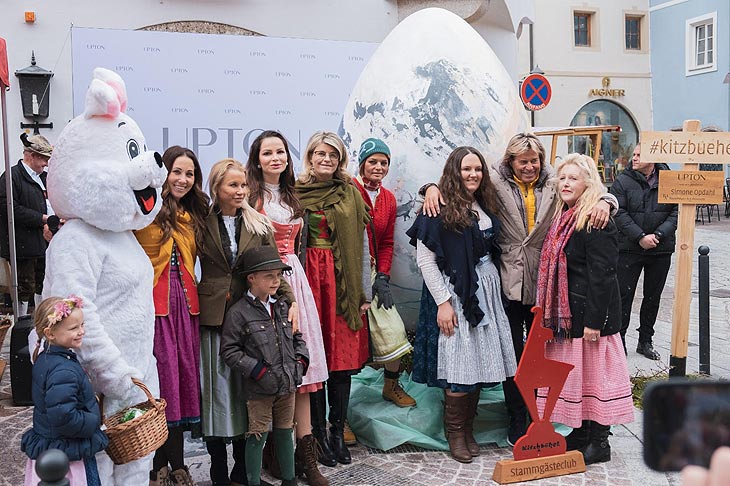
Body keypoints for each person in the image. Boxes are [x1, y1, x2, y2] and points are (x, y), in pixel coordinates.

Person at [422, 133, 617, 445]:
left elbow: (587, 187)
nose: (530, 167)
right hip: (506, 282)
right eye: (523, 161)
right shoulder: (494, 184)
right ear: (510, 162)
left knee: (544, 355)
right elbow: (459, 181)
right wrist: (429, 188)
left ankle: (541, 416)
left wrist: (609, 201)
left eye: (534, 160)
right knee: (514, 357)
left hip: (548, 284)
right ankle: (517, 418)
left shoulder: (554, 180)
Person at [407, 146, 517, 463]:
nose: (472, 174)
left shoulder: (485, 203)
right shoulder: (438, 206)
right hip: (454, 293)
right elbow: (425, 261)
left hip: (486, 289)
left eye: (477, 169)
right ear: (454, 171)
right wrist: (443, 303)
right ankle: (455, 433)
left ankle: (468, 429)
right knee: (458, 363)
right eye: (466, 169)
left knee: (479, 361)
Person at [199, 158, 297, 486]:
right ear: (217, 188)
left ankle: (243, 469)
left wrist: (291, 300)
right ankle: (217, 468)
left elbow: (273, 265)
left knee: (247, 395)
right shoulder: (202, 222)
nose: (240, 191)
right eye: (233, 185)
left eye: (243, 184)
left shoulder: (259, 224)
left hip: (249, 321)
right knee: (216, 395)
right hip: (213, 316)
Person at [535, 153, 634, 466]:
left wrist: (595, 322)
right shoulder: (565, 214)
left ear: (588, 183)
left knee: (595, 379)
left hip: (590, 317)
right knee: (578, 378)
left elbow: (603, 274)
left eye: (573, 178)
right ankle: (578, 435)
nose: (565, 183)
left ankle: (599, 442)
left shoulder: (595, 218)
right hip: (572, 314)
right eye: (562, 178)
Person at [246, 130, 329, 486]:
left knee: (303, 372)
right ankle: (272, 456)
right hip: (270, 285)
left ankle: (306, 459)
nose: (275, 158)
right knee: (274, 367)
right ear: (257, 158)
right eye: (268, 153)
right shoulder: (251, 196)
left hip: (297, 280)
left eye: (280, 151)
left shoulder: (294, 194)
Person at [295, 131, 371, 467]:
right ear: (310, 157)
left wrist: (364, 292)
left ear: (340, 160)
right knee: (315, 360)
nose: (326, 160)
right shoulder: (295, 194)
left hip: (343, 284)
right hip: (310, 280)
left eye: (333, 155)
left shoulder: (351, 192)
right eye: (320, 154)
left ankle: (339, 431)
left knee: (341, 363)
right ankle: (318, 436)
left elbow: (363, 243)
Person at [135, 146, 210, 485]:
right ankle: (156, 465)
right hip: (154, 305)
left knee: (182, 380)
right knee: (161, 382)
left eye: (189, 174)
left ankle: (176, 464)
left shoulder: (194, 213)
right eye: (177, 171)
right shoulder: (144, 208)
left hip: (186, 306)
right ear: (163, 172)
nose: (182, 179)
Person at [220, 245, 310, 486]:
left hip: (287, 382)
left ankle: (289, 481)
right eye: (269, 275)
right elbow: (229, 350)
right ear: (251, 278)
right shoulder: (238, 312)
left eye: (278, 275)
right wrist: (258, 371)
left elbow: (297, 337)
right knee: (257, 435)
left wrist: (300, 363)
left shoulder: (281, 306)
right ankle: (253, 482)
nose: (275, 281)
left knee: (284, 432)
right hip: (259, 388)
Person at [352, 138, 415, 408]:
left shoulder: (388, 198)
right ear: (362, 163)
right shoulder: (349, 190)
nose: (378, 167)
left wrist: (383, 276)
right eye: (373, 161)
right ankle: (339, 412)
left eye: (384, 162)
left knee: (394, 331)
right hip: (347, 273)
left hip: (373, 271)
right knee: (348, 343)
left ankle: (390, 385)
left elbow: (387, 241)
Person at [21, 295, 108, 486]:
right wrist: (93, 421)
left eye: (82, 325)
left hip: (53, 446)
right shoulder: (63, 370)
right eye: (74, 328)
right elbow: (63, 416)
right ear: (50, 333)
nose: (82, 331)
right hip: (67, 455)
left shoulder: (46, 358)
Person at [610, 143, 678, 360]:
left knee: (653, 297)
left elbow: (677, 211)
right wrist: (640, 237)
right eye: (635, 154)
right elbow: (618, 212)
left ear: (654, 158)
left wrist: (658, 235)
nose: (634, 158)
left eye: (640, 155)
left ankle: (645, 340)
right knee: (623, 295)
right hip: (629, 248)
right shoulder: (623, 180)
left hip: (660, 249)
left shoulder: (670, 179)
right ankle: (619, 340)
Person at [0, 133, 53, 316]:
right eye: (44, 159)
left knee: (42, 283)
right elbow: (11, 209)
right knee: (24, 287)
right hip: (22, 245)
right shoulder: (11, 176)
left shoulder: (45, 178)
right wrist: (43, 219)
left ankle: (39, 322)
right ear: (31, 155)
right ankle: (21, 326)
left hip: (44, 242)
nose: (46, 163)